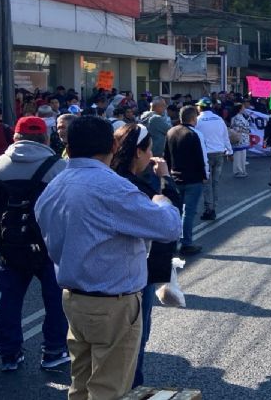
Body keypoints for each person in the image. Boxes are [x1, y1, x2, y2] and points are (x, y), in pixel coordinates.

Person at [35, 116, 182, 400]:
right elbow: (168, 227)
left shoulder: (55, 184)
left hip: (74, 297)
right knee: (109, 389)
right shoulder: (111, 187)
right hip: (113, 301)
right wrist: (163, 201)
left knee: (81, 382)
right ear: (112, 145)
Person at [0, 116, 68, 372]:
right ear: (46, 138)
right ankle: (53, 350)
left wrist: (0, 226)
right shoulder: (57, 166)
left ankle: (9, 354)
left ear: (15, 137)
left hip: (9, 245)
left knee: (7, 298)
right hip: (49, 246)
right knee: (55, 299)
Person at [109, 123, 182, 389]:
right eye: (149, 148)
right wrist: (165, 178)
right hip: (134, 276)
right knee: (135, 340)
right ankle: (132, 389)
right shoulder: (134, 187)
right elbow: (170, 221)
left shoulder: (104, 178)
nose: (152, 154)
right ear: (139, 151)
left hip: (92, 282)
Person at [164, 106, 208, 256]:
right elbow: (200, 158)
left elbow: (167, 156)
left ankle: (171, 242)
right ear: (193, 118)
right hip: (192, 179)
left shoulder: (171, 132)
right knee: (188, 212)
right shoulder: (193, 134)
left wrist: (167, 175)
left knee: (175, 211)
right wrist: (204, 175)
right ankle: (186, 243)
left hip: (175, 177)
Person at [195, 98, 232, 221]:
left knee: (206, 183)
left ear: (200, 107)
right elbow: (225, 136)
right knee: (215, 183)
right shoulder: (219, 119)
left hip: (206, 155)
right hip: (219, 154)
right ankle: (213, 208)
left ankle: (208, 209)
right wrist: (230, 151)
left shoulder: (198, 120)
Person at [229, 104, 251, 178]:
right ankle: (238, 171)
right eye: (243, 108)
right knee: (238, 155)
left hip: (244, 139)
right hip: (239, 138)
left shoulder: (242, 116)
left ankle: (242, 170)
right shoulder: (236, 117)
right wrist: (246, 129)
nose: (244, 109)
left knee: (243, 156)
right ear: (239, 109)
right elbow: (236, 127)